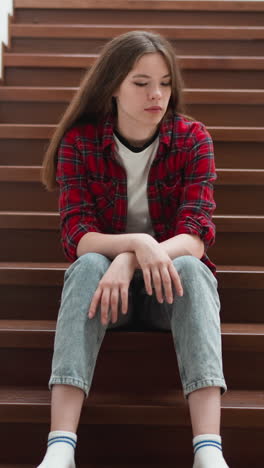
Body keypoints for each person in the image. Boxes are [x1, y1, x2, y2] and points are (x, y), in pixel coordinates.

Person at [39, 30, 228, 468]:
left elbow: (196, 235)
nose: (156, 95)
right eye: (141, 83)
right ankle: (61, 445)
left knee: (195, 271)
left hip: (169, 293)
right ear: (112, 86)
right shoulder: (80, 142)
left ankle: (209, 451)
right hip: (108, 295)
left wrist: (131, 256)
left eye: (164, 83)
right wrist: (135, 244)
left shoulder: (193, 139)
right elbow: (77, 235)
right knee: (87, 265)